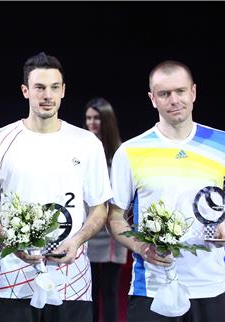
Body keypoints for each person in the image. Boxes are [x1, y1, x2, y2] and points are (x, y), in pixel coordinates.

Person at [107, 60, 225, 322]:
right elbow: (115, 216)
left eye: (180, 91)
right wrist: (140, 247)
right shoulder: (130, 151)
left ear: (193, 92)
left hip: (211, 285)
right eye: (164, 94)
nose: (174, 100)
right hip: (152, 288)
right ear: (152, 99)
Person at [0, 52, 113, 322]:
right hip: (13, 281)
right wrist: (10, 242)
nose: (47, 95)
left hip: (72, 282)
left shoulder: (87, 143)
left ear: (63, 91)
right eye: (39, 87)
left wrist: (77, 241)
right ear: (25, 91)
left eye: (53, 87)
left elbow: (100, 209)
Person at [84, 97, 127, 322]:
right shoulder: (81, 150)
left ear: (107, 120)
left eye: (97, 118)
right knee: (89, 290)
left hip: (111, 232)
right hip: (88, 228)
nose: (92, 122)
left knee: (109, 290)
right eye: (89, 118)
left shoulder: (120, 153)